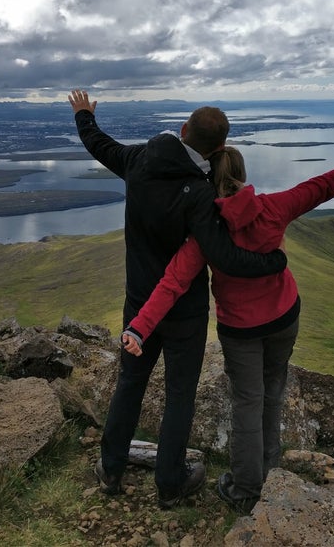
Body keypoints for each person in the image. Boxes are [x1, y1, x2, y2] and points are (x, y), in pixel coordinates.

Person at [121, 138, 334, 512]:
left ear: (209, 180)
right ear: (242, 175)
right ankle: (270, 473)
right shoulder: (273, 207)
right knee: (272, 394)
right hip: (285, 317)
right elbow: (328, 184)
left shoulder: (205, 234)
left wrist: (139, 328)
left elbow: (172, 282)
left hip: (241, 331)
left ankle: (245, 490)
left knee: (247, 405)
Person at [68, 89, 288, 509]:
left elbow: (99, 145)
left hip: (139, 306)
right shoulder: (202, 192)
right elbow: (222, 256)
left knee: (130, 383)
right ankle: (170, 484)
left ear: (183, 129)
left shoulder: (138, 161)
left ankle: (111, 469)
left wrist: (83, 116)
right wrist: (273, 263)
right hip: (185, 311)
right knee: (180, 394)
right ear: (221, 148)